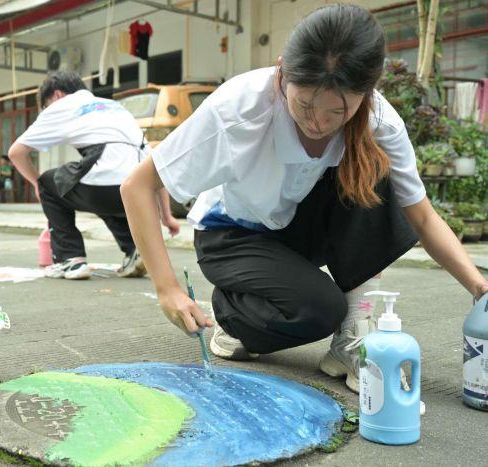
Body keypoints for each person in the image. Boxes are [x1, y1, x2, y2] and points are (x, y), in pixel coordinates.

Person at [121, 4, 488, 392]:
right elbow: (137, 187)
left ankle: (350, 342)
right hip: (233, 237)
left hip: (297, 225)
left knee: (375, 172)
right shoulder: (238, 110)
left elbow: (423, 217)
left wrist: (480, 289)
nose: (318, 123)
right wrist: (169, 290)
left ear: (365, 94)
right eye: (305, 104)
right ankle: (231, 315)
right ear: (282, 72)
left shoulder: (379, 120)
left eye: (337, 111)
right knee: (320, 309)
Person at [8, 71, 179, 280]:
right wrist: (167, 216)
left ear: (58, 95)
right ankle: (135, 250)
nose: (47, 110)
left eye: (46, 105)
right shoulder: (115, 107)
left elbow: (16, 153)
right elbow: (153, 162)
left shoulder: (62, 105)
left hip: (102, 183)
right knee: (102, 186)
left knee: (48, 182)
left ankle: (70, 260)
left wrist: (36, 183)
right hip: (136, 188)